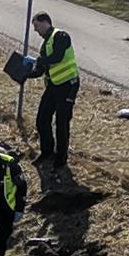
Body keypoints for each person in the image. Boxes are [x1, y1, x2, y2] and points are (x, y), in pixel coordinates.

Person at [30, 12, 80, 168]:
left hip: (68, 85)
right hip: (53, 85)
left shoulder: (61, 36)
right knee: (42, 118)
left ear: (45, 22)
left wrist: (40, 60)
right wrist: (26, 73)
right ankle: (47, 152)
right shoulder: (45, 45)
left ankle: (61, 159)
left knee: (61, 123)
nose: (36, 31)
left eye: (37, 26)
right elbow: (41, 69)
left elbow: (57, 57)